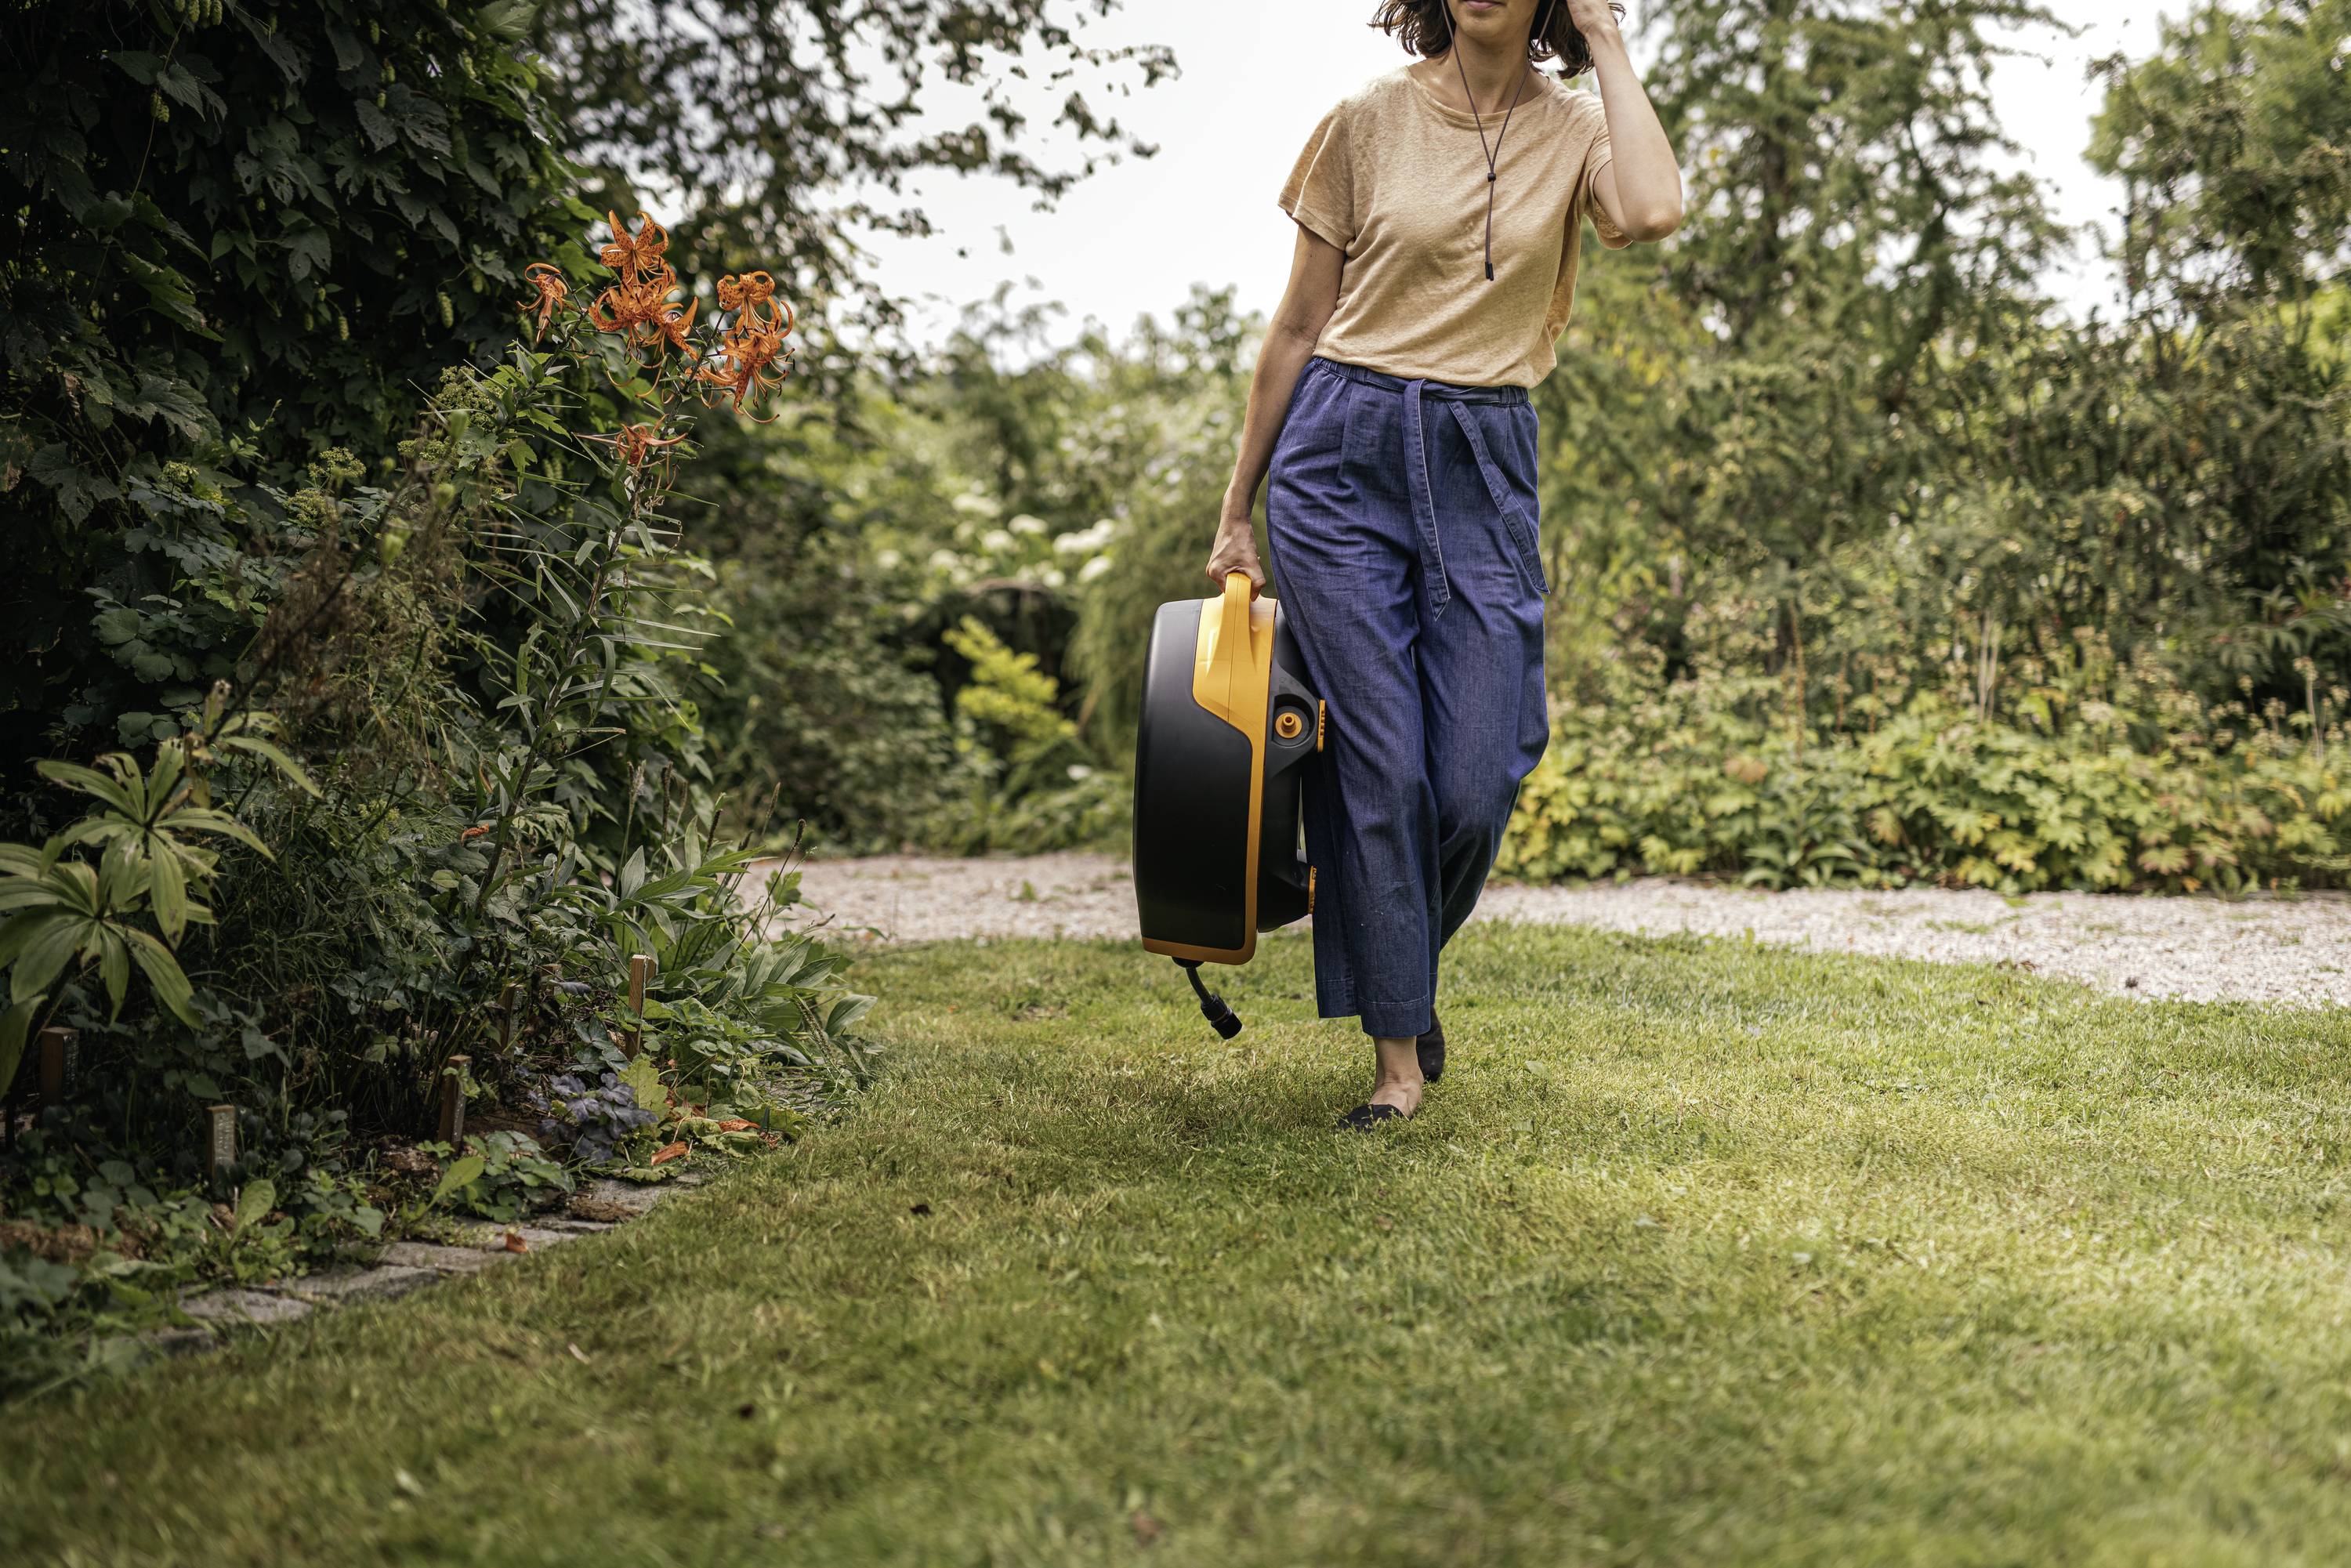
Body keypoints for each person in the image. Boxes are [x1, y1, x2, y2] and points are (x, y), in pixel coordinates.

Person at [1204, 0, 1682, 1129]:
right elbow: (1295, 327)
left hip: (1484, 455)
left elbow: (1653, 210)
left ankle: (1397, 963)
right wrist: (1238, 510)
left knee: (1477, 774)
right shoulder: (1366, 122)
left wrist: (1609, 40)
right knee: (1382, 764)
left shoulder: (1577, 132)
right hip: (1341, 455)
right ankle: (1397, 1059)